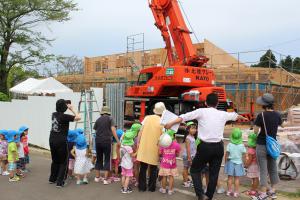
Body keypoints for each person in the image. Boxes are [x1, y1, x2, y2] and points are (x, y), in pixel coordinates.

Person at [165, 93, 248, 200]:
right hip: (218, 147)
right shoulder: (222, 114)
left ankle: (200, 194)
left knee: (195, 170)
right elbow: (236, 115)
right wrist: (244, 118)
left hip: (205, 147)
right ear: (217, 103)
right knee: (214, 174)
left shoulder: (201, 111)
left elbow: (184, 117)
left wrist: (171, 123)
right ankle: (209, 196)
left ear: (205, 103)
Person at [252, 93, 282, 200]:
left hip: (262, 145)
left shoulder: (261, 116)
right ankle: (273, 191)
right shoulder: (278, 115)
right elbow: (280, 125)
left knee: (263, 170)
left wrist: (255, 128)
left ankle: (263, 193)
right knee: (273, 168)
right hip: (273, 145)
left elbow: (255, 131)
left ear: (263, 104)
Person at [49, 99, 81, 188]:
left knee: (55, 160)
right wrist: (72, 109)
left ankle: (52, 179)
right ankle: (60, 182)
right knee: (64, 161)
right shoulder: (64, 116)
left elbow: (60, 110)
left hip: (52, 139)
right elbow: (78, 117)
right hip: (61, 141)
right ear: (64, 107)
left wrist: (65, 105)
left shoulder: (53, 114)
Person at [137, 102, 166, 192]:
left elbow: (140, 132)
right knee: (153, 168)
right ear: (162, 112)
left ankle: (142, 187)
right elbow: (163, 137)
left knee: (143, 167)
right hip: (155, 147)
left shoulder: (147, 118)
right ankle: (152, 187)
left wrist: (138, 143)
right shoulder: (162, 121)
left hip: (144, 145)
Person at [94, 106, 120, 185]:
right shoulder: (110, 119)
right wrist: (118, 141)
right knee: (107, 159)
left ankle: (97, 177)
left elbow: (95, 129)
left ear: (102, 112)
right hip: (106, 141)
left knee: (99, 158)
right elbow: (113, 129)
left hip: (98, 141)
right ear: (108, 112)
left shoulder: (98, 119)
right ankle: (105, 179)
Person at [224, 128, 246, 198]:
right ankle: (236, 192)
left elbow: (226, 154)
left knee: (229, 178)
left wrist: (225, 162)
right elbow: (244, 155)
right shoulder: (242, 145)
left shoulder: (230, 144)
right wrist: (244, 162)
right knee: (237, 179)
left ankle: (229, 191)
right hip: (238, 163)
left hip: (230, 162)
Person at [158, 130, 181, 195]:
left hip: (164, 164)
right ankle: (170, 190)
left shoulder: (162, 145)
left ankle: (163, 189)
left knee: (164, 176)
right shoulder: (176, 145)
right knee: (171, 176)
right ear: (174, 136)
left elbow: (160, 153)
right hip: (172, 164)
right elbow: (177, 154)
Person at [182, 122, 197, 188]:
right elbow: (188, 149)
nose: (194, 130)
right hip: (188, 156)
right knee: (186, 168)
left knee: (190, 169)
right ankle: (185, 182)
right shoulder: (188, 138)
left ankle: (187, 180)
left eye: (195, 128)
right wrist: (189, 158)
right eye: (192, 128)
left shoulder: (193, 136)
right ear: (188, 129)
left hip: (192, 156)